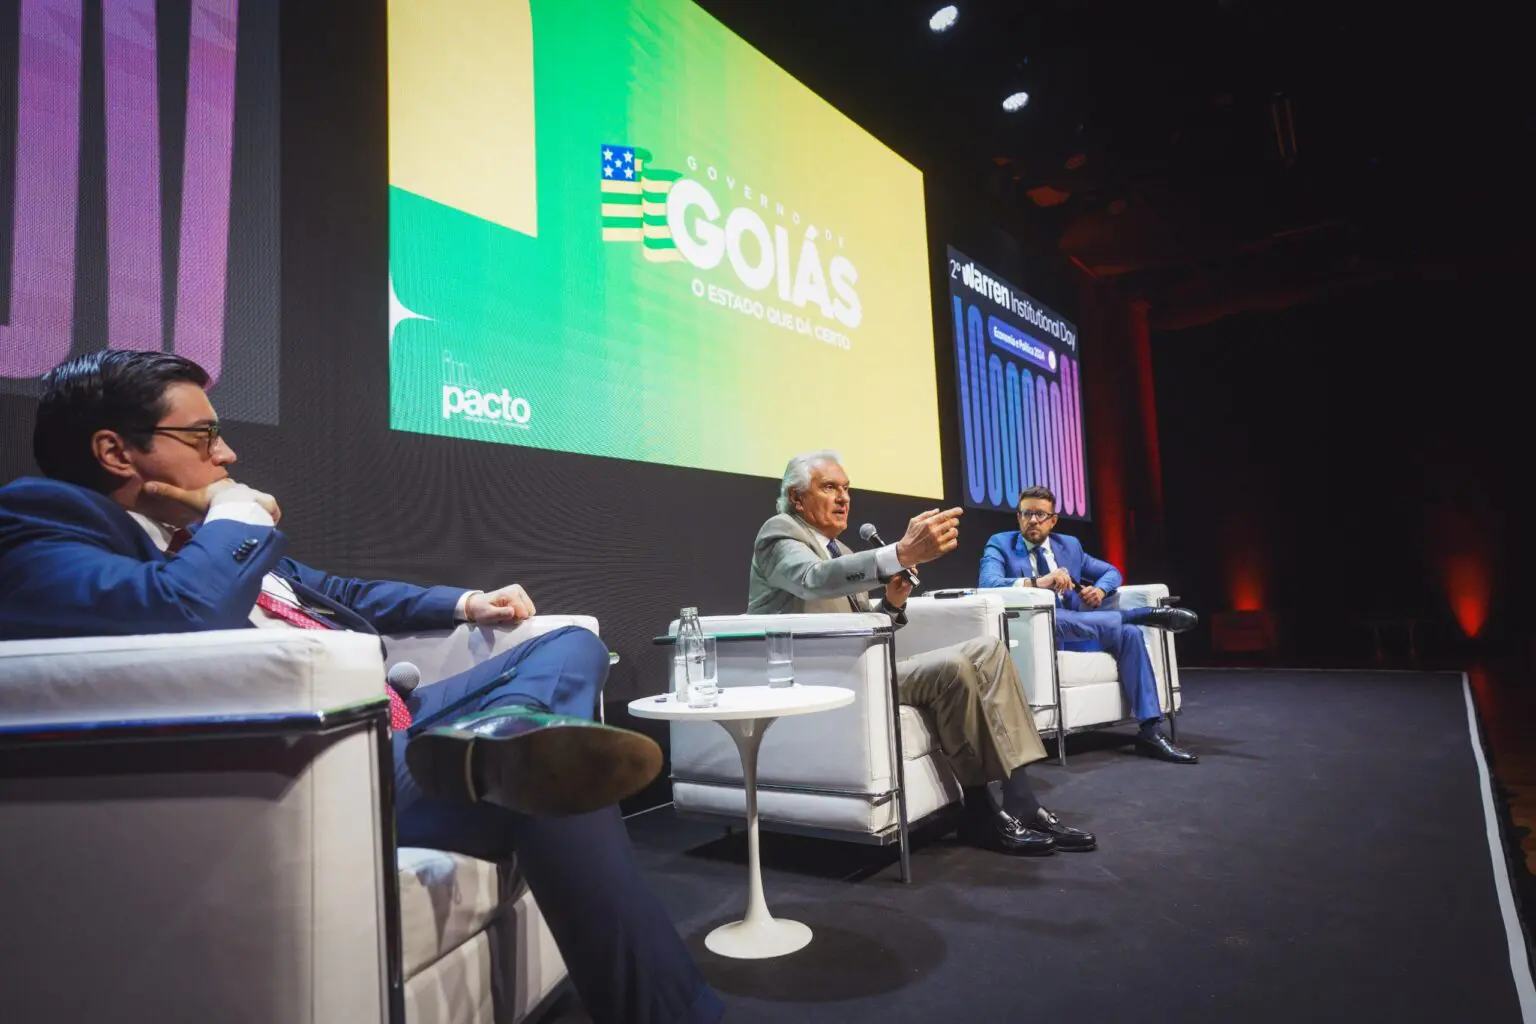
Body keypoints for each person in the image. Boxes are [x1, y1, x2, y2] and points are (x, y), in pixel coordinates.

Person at [0, 350, 723, 1024]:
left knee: (570, 644)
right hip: (334, 760)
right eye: (203, 436)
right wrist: (237, 513)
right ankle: (516, 753)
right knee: (555, 780)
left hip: (404, 723)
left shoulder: (204, 540)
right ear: (114, 451)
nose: (228, 455)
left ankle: (508, 731)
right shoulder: (47, 523)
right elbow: (177, 613)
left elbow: (340, 590)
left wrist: (466, 603)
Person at [747, 450, 1095, 855]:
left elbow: (866, 623)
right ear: (796, 498)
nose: (843, 498)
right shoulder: (780, 533)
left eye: (846, 489)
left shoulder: (839, 550)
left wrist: (892, 603)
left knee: (988, 649)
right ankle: (980, 814)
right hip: (821, 678)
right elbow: (811, 580)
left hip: (864, 667)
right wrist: (900, 553)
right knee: (952, 668)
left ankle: (1021, 799)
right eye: (829, 488)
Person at [978, 485, 1200, 764]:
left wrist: (1101, 591)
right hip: (1036, 634)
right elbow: (988, 584)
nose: (1033, 520)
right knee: (1067, 619)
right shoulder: (1001, 544)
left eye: (1040, 514)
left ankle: (1150, 732)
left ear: (1053, 519)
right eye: (1026, 514)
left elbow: (1110, 571)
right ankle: (1143, 614)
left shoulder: (1068, 546)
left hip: (1081, 630)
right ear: (1018, 517)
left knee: (1129, 635)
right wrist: (1040, 582)